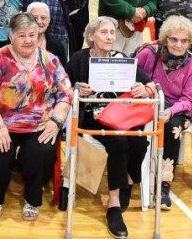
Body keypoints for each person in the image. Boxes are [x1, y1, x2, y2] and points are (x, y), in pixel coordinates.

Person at [0, 12, 72, 221]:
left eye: (32, 34)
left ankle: (32, 197)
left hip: (39, 123)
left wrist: (56, 121)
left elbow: (66, 93)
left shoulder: (50, 60)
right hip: (2, 122)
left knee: (44, 150)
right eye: (21, 35)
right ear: (11, 36)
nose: (28, 40)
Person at [65, 16, 154, 239]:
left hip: (122, 114)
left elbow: (151, 83)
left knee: (140, 140)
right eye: (104, 32)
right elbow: (63, 86)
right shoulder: (79, 59)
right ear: (92, 36)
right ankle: (114, 204)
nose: (109, 36)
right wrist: (77, 89)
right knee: (119, 142)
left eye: (112, 33)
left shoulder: (121, 58)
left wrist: (145, 90)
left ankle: (130, 179)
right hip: (93, 116)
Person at [134, 15, 192, 210]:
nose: (179, 45)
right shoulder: (149, 53)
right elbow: (130, 75)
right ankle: (134, 173)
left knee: (172, 129)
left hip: (178, 108)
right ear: (165, 38)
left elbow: (189, 100)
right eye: (173, 39)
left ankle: (163, 184)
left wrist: (171, 111)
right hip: (148, 101)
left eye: (184, 40)